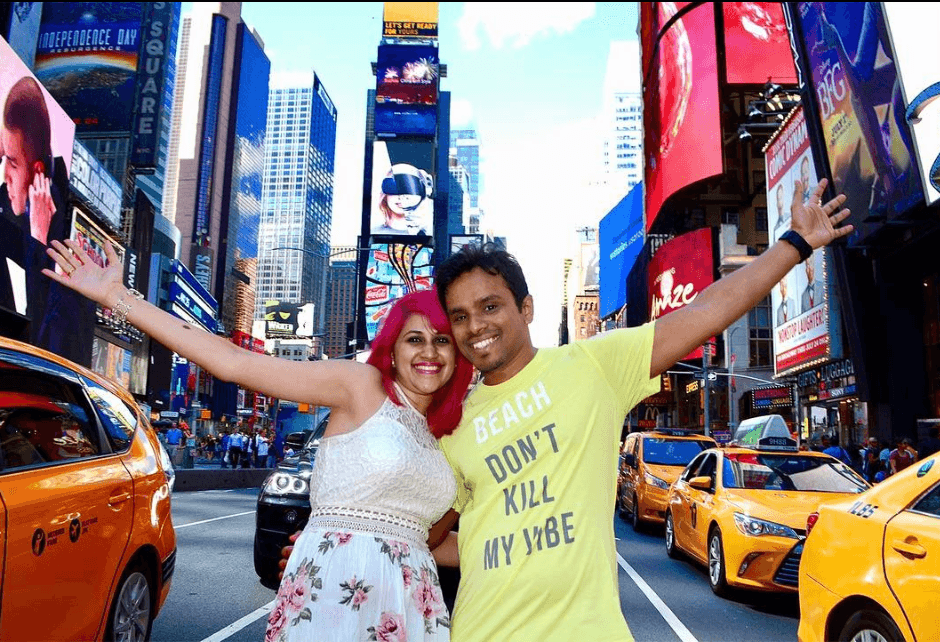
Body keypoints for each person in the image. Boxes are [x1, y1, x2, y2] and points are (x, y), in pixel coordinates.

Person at [419, 179, 851, 642]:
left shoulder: (592, 365)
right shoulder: (452, 423)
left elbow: (705, 311)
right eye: (460, 316)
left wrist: (795, 244)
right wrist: (498, 549)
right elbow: (431, 535)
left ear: (526, 309)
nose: (476, 325)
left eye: (490, 306)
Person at [41, 241, 474, 641]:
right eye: (414, 339)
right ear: (392, 348)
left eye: (442, 341)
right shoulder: (359, 385)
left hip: (412, 597)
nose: (429, 353)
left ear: (459, 355)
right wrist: (118, 296)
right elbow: (232, 361)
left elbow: (432, 540)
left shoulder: (445, 434)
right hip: (337, 588)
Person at [372, 163, 433, 236]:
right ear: (385, 195)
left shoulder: (432, 234)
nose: (401, 197)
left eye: (408, 188)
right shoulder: (374, 233)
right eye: (393, 187)